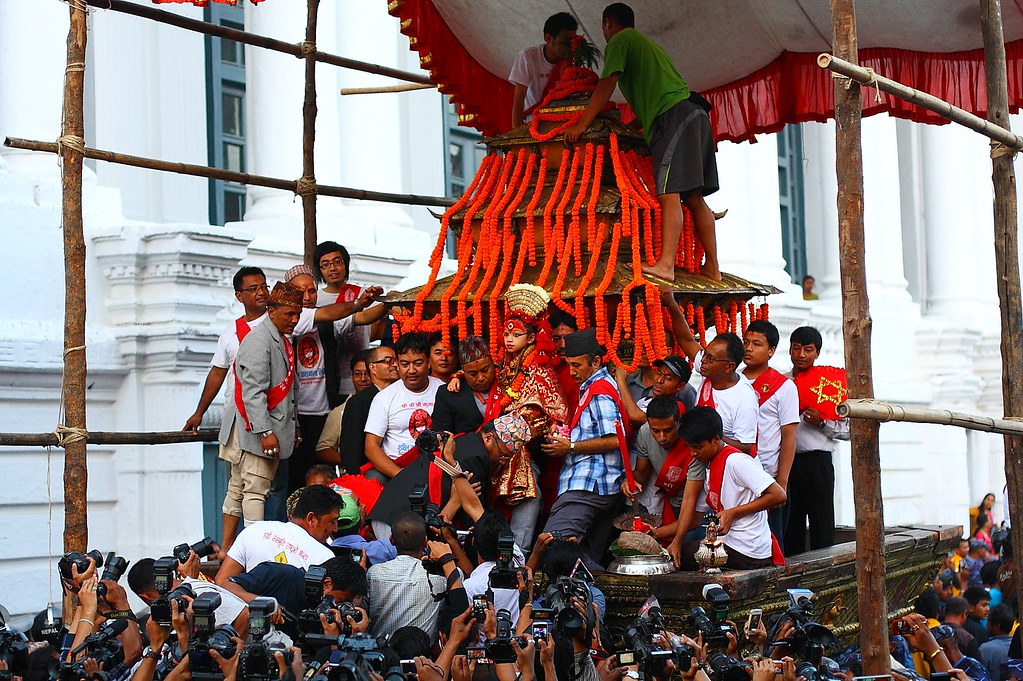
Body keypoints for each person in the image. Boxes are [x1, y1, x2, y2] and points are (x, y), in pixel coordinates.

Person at [565, 2, 720, 281]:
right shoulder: (645, 46)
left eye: (603, 27)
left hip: (674, 116)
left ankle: (666, 265)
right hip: (691, 113)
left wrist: (582, 123)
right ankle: (713, 267)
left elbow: (606, 83)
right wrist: (627, 130)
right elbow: (652, 105)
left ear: (608, 24)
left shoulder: (620, 40)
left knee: (668, 193)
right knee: (694, 197)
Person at [284, 264, 382, 495]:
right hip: (292, 416)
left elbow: (364, 317)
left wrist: (388, 302)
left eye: (312, 291)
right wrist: (358, 303)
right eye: (300, 292)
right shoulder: (287, 320)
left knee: (322, 476)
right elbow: (333, 312)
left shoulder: (329, 317)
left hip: (322, 410)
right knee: (293, 478)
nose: (307, 297)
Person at [218, 281, 304, 529]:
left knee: (238, 487)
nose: (295, 319)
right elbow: (253, 392)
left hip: (260, 425)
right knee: (255, 488)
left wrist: (294, 425)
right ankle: (252, 549)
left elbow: (290, 392)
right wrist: (265, 432)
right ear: (272, 311)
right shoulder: (259, 340)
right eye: (289, 314)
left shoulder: (278, 338)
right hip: (258, 429)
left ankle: (228, 550)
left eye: (298, 314)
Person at [541, 327, 626, 568]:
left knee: (552, 545)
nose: (572, 372)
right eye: (569, 365)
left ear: (596, 361)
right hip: (602, 486)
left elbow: (615, 439)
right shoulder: (595, 386)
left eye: (577, 365)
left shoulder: (600, 393)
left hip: (589, 484)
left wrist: (570, 447)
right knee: (587, 555)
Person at [677, 407, 785, 570]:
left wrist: (733, 513)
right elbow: (694, 518)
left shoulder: (737, 462)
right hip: (731, 544)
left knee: (686, 557)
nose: (692, 453)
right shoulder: (710, 463)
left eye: (697, 447)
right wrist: (662, 535)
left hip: (748, 550)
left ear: (715, 439)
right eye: (689, 447)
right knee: (680, 553)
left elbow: (779, 495)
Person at [784, 326, 850, 554]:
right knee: (790, 521)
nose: (802, 354)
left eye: (808, 350)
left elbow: (849, 431)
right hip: (787, 461)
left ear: (817, 353)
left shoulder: (832, 385)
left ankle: (826, 572)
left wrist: (822, 423)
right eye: (797, 348)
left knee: (822, 521)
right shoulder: (781, 384)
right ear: (790, 350)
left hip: (818, 461)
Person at [742, 320, 799, 551]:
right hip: (735, 471)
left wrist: (782, 481)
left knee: (771, 540)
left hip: (767, 474)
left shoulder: (784, 387)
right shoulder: (732, 379)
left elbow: (789, 437)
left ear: (771, 351)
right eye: (746, 342)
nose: (748, 348)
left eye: (756, 344)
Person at [215, 485, 342, 585]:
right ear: (311, 518)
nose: (335, 528)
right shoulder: (324, 557)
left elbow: (221, 582)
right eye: (332, 522)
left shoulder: (255, 530)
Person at [314, 241, 391, 403]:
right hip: (326, 381)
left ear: (346, 264)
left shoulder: (362, 294)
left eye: (337, 262)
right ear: (319, 270)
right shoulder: (315, 300)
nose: (333, 268)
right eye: (325, 264)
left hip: (362, 379)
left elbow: (388, 310)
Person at [622, 396, 706, 546]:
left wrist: (677, 542)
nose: (662, 438)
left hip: (696, 509)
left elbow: (689, 499)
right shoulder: (645, 433)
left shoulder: (692, 444)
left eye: (668, 430)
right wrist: (628, 482)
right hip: (670, 504)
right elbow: (641, 474)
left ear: (679, 423)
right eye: (656, 431)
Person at [366, 512, 460, 641]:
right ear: (425, 541)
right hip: (424, 658)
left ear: (391, 540)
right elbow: (462, 577)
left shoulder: (373, 574)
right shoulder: (443, 575)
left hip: (380, 656)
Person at [364, 332, 445, 482]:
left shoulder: (444, 391)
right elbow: (371, 447)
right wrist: (401, 476)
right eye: (405, 364)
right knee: (374, 479)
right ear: (397, 364)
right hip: (396, 469)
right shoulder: (384, 397)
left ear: (428, 362)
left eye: (418, 363)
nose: (412, 370)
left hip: (437, 466)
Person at [222, 557, 368, 640]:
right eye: (340, 601)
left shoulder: (332, 619)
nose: (338, 607)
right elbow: (226, 585)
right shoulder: (279, 574)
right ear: (326, 584)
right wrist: (262, 603)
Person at [317, 345, 398, 474]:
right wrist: (357, 477)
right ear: (372, 367)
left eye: (396, 360)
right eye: (388, 360)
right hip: (369, 474)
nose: (394, 364)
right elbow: (352, 449)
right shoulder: (358, 401)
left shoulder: (400, 395)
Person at [127, 555, 248, 637]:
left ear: (145, 596)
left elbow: (244, 615)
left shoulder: (196, 592)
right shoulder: (186, 589)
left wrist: (232, 660)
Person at [508, 12, 578, 128]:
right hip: (533, 124)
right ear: (548, 38)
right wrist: (516, 134)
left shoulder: (573, 59)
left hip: (563, 126)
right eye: (564, 43)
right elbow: (519, 100)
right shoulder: (527, 57)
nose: (568, 47)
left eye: (572, 42)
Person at [432, 336, 498, 434]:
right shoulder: (448, 394)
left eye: (485, 370)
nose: (480, 378)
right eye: (473, 373)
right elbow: (440, 435)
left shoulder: (507, 384)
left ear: (493, 364)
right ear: (463, 371)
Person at [329, 494, 398, 567]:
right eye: (358, 504)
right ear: (361, 521)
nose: (363, 506)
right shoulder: (386, 548)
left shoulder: (322, 554)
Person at [979, 604, 1014, 680]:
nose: (986, 626)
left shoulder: (986, 649)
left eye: (988, 622)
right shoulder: (1017, 645)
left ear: (996, 627)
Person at [944, 595, 984, 661]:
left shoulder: (932, 633)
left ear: (944, 610)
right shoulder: (967, 639)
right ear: (964, 614)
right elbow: (975, 667)